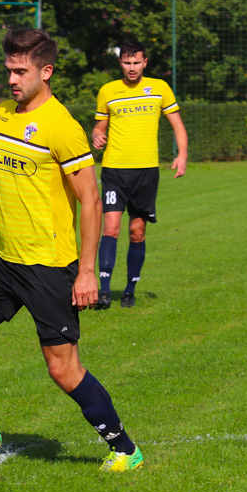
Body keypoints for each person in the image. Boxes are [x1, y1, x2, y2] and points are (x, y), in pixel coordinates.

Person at [0, 28, 143, 472]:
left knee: (63, 370)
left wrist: (87, 271)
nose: (12, 79)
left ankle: (125, 449)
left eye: (21, 71)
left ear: (46, 71)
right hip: (5, 262)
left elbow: (90, 202)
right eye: (9, 70)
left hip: (50, 268)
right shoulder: (2, 115)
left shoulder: (63, 128)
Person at [92, 40, 188, 309]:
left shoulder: (159, 88)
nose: (131, 67)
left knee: (137, 231)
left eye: (136, 62)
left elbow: (178, 126)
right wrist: (98, 136)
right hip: (114, 170)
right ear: (120, 63)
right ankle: (105, 291)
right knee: (110, 227)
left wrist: (182, 155)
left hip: (146, 171)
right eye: (127, 62)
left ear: (145, 63)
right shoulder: (108, 91)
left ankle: (130, 290)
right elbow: (99, 126)